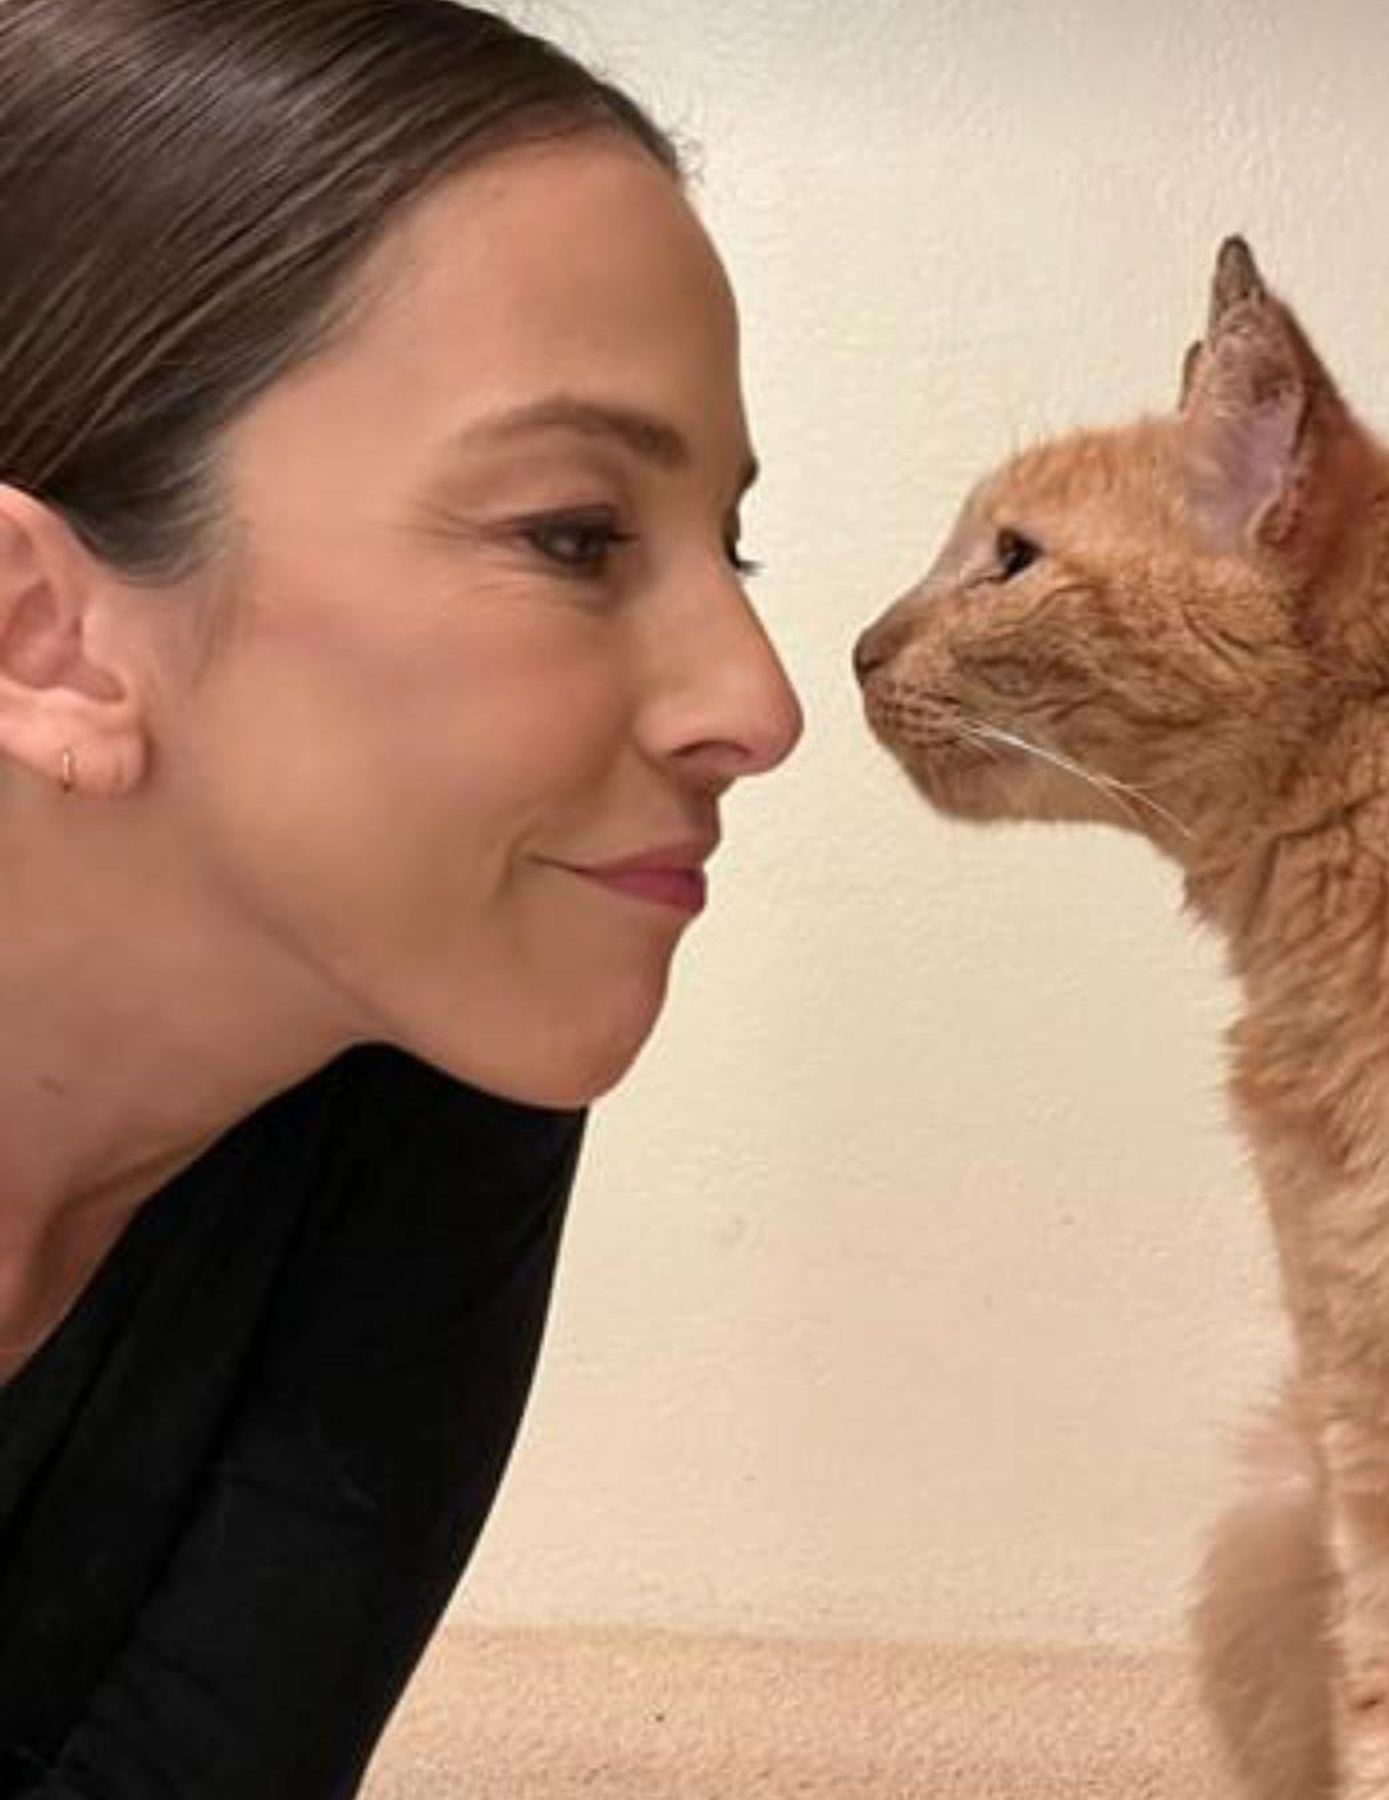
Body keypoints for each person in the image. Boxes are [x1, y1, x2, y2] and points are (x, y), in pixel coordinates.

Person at [0, 0, 804, 1793]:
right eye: (576, 535)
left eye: (727, 543)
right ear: (40, 635)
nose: (759, 704)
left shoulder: (443, 1035)